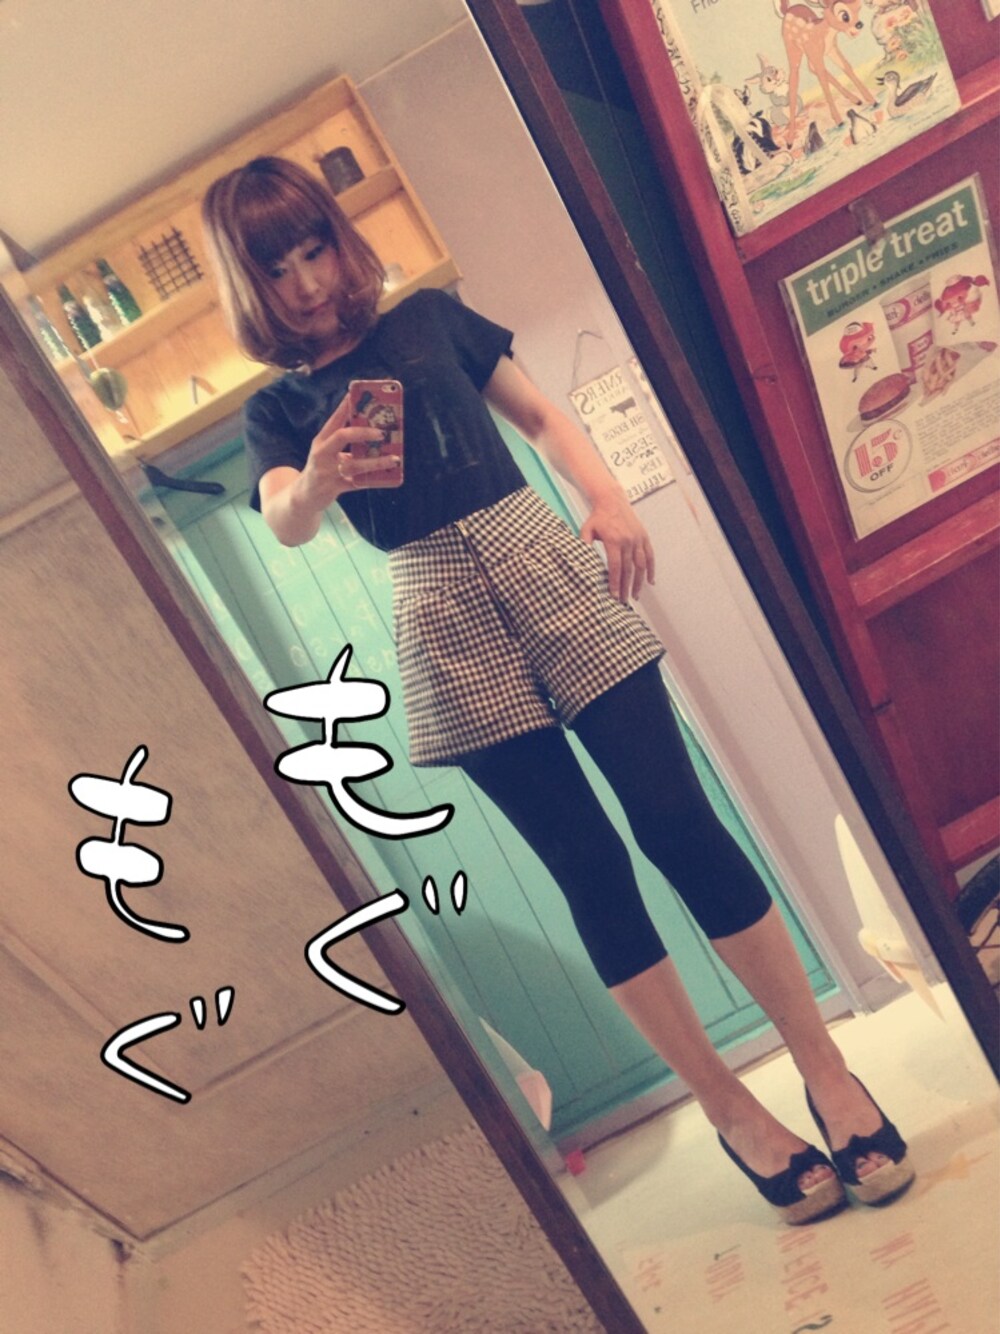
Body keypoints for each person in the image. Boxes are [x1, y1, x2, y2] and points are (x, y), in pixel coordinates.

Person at [202, 156, 914, 1223]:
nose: (305, 281)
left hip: (536, 557)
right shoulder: (279, 410)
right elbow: (285, 520)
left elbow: (539, 416)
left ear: (339, 241)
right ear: (247, 283)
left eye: (313, 249)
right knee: (588, 866)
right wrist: (317, 479)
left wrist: (607, 497)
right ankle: (730, 1109)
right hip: (437, 610)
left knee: (677, 820)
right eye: (277, 267)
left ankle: (826, 1068)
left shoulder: (430, 319)